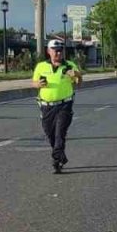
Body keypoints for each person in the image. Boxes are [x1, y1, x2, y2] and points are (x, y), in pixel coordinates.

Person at [31, 38, 82, 173]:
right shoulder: (41, 66)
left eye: (60, 51)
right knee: (50, 134)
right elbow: (34, 83)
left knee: (60, 133)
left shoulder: (69, 65)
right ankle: (60, 156)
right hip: (46, 106)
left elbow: (78, 81)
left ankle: (56, 160)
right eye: (55, 51)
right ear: (49, 51)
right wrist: (39, 84)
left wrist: (76, 74)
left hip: (64, 105)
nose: (58, 54)